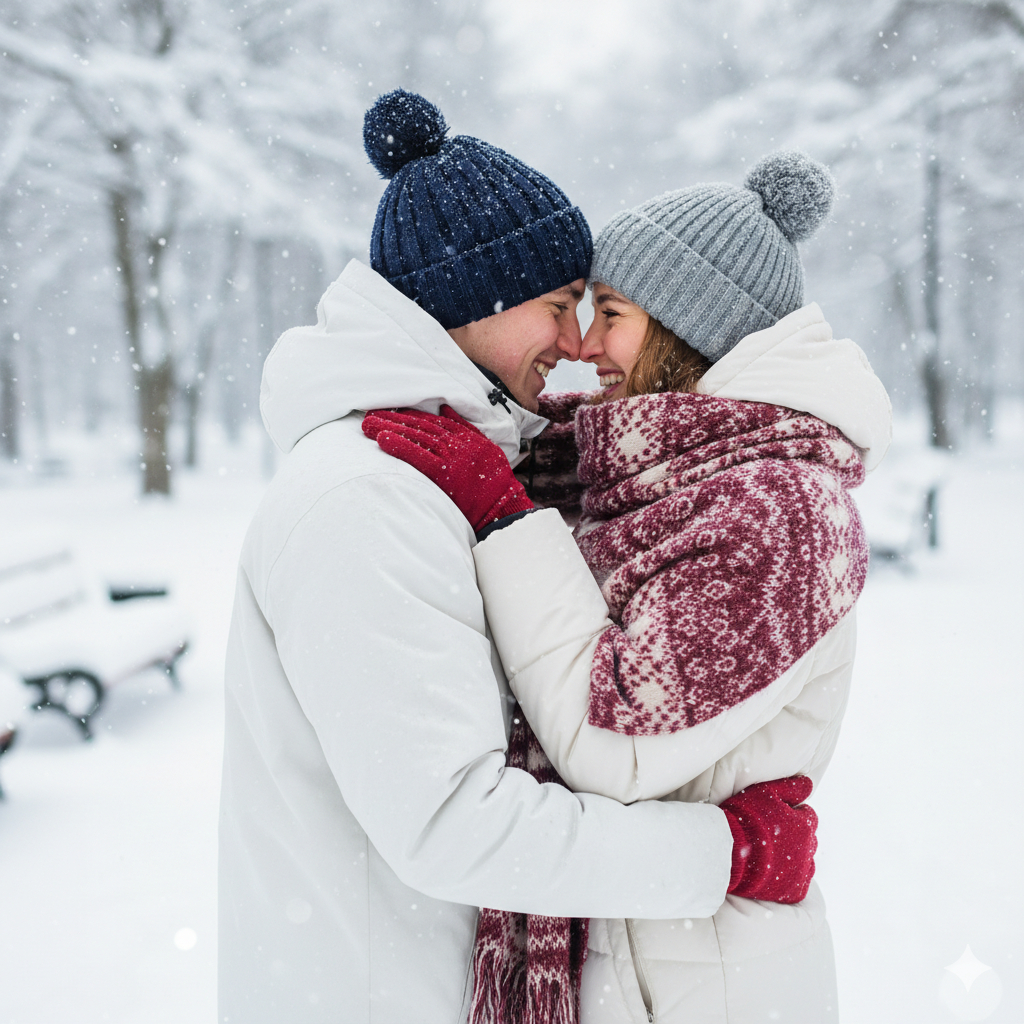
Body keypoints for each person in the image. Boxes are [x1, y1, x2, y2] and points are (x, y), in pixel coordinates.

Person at [219, 92, 818, 1024]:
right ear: (472, 303)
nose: (576, 344)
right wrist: (721, 854)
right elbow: (452, 820)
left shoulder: (440, 472)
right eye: (556, 307)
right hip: (381, 993)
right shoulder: (366, 497)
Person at [365, 152, 892, 1022]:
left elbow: (616, 746)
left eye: (610, 314)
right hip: (636, 947)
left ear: (692, 326)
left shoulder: (780, 512)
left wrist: (505, 520)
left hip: (704, 980)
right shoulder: (646, 480)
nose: (584, 346)